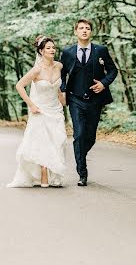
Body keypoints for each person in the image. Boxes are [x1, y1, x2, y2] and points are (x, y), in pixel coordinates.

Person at [60, 19, 118, 186]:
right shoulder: (68, 52)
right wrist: (63, 90)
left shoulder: (101, 50)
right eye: (81, 28)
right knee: (78, 135)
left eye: (87, 28)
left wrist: (103, 83)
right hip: (75, 98)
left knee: (90, 137)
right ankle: (82, 173)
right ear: (76, 31)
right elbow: (62, 73)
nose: (84, 30)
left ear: (91, 32)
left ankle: (79, 155)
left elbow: (112, 70)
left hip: (95, 100)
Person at [7, 36, 67, 188]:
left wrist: (63, 99)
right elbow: (19, 86)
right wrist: (32, 105)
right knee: (43, 141)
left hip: (56, 110)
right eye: (48, 48)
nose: (52, 50)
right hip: (40, 110)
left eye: (53, 47)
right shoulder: (37, 70)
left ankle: (56, 176)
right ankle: (44, 173)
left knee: (57, 141)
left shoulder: (59, 66)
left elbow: (58, 87)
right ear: (41, 51)